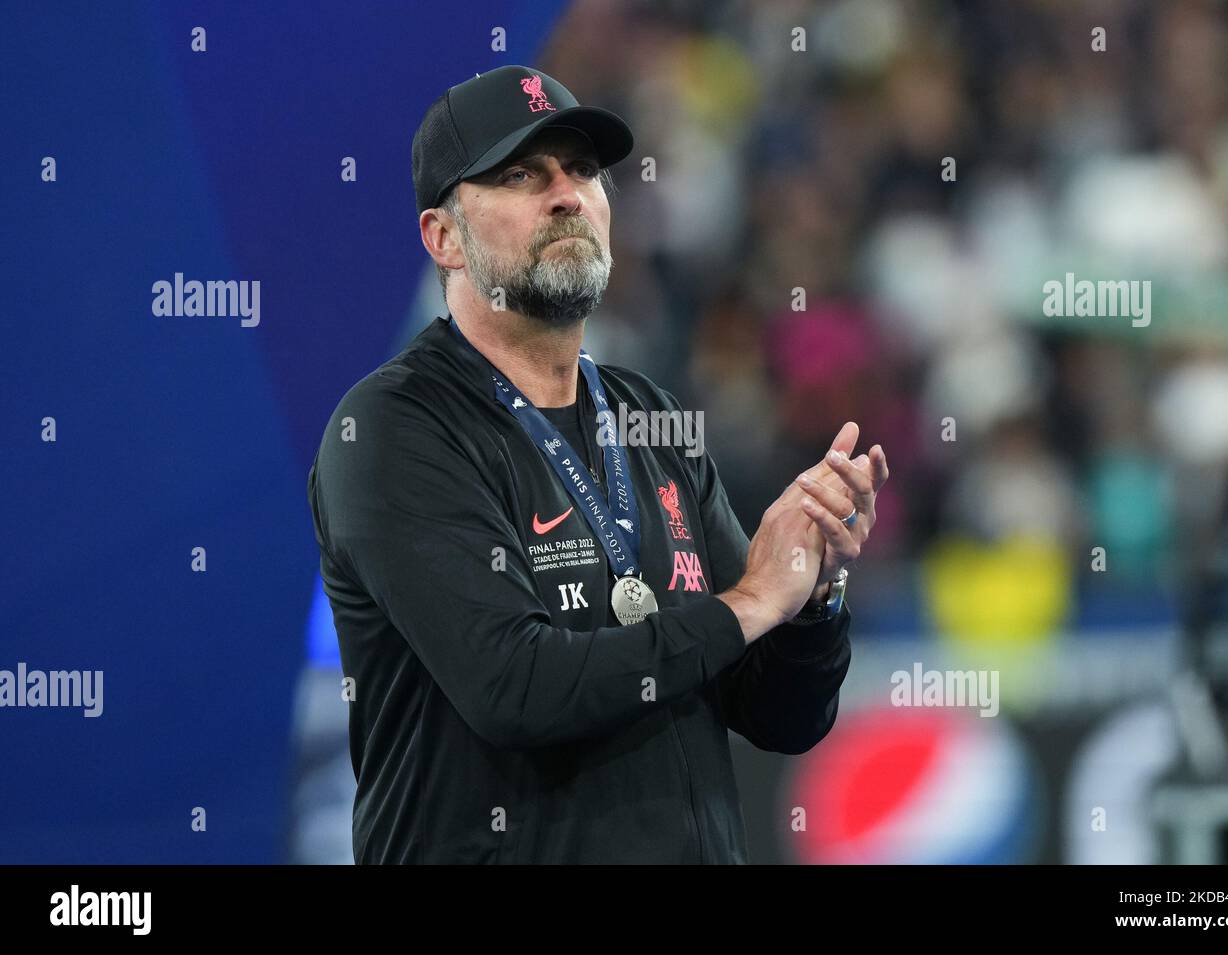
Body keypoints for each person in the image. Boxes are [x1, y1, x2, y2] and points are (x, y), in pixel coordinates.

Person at [307, 64, 889, 863]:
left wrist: (812, 589)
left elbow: (778, 715)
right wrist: (755, 597)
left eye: (582, 169)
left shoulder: (647, 414)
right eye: (520, 175)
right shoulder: (393, 428)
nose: (567, 194)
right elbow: (515, 687)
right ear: (443, 237)